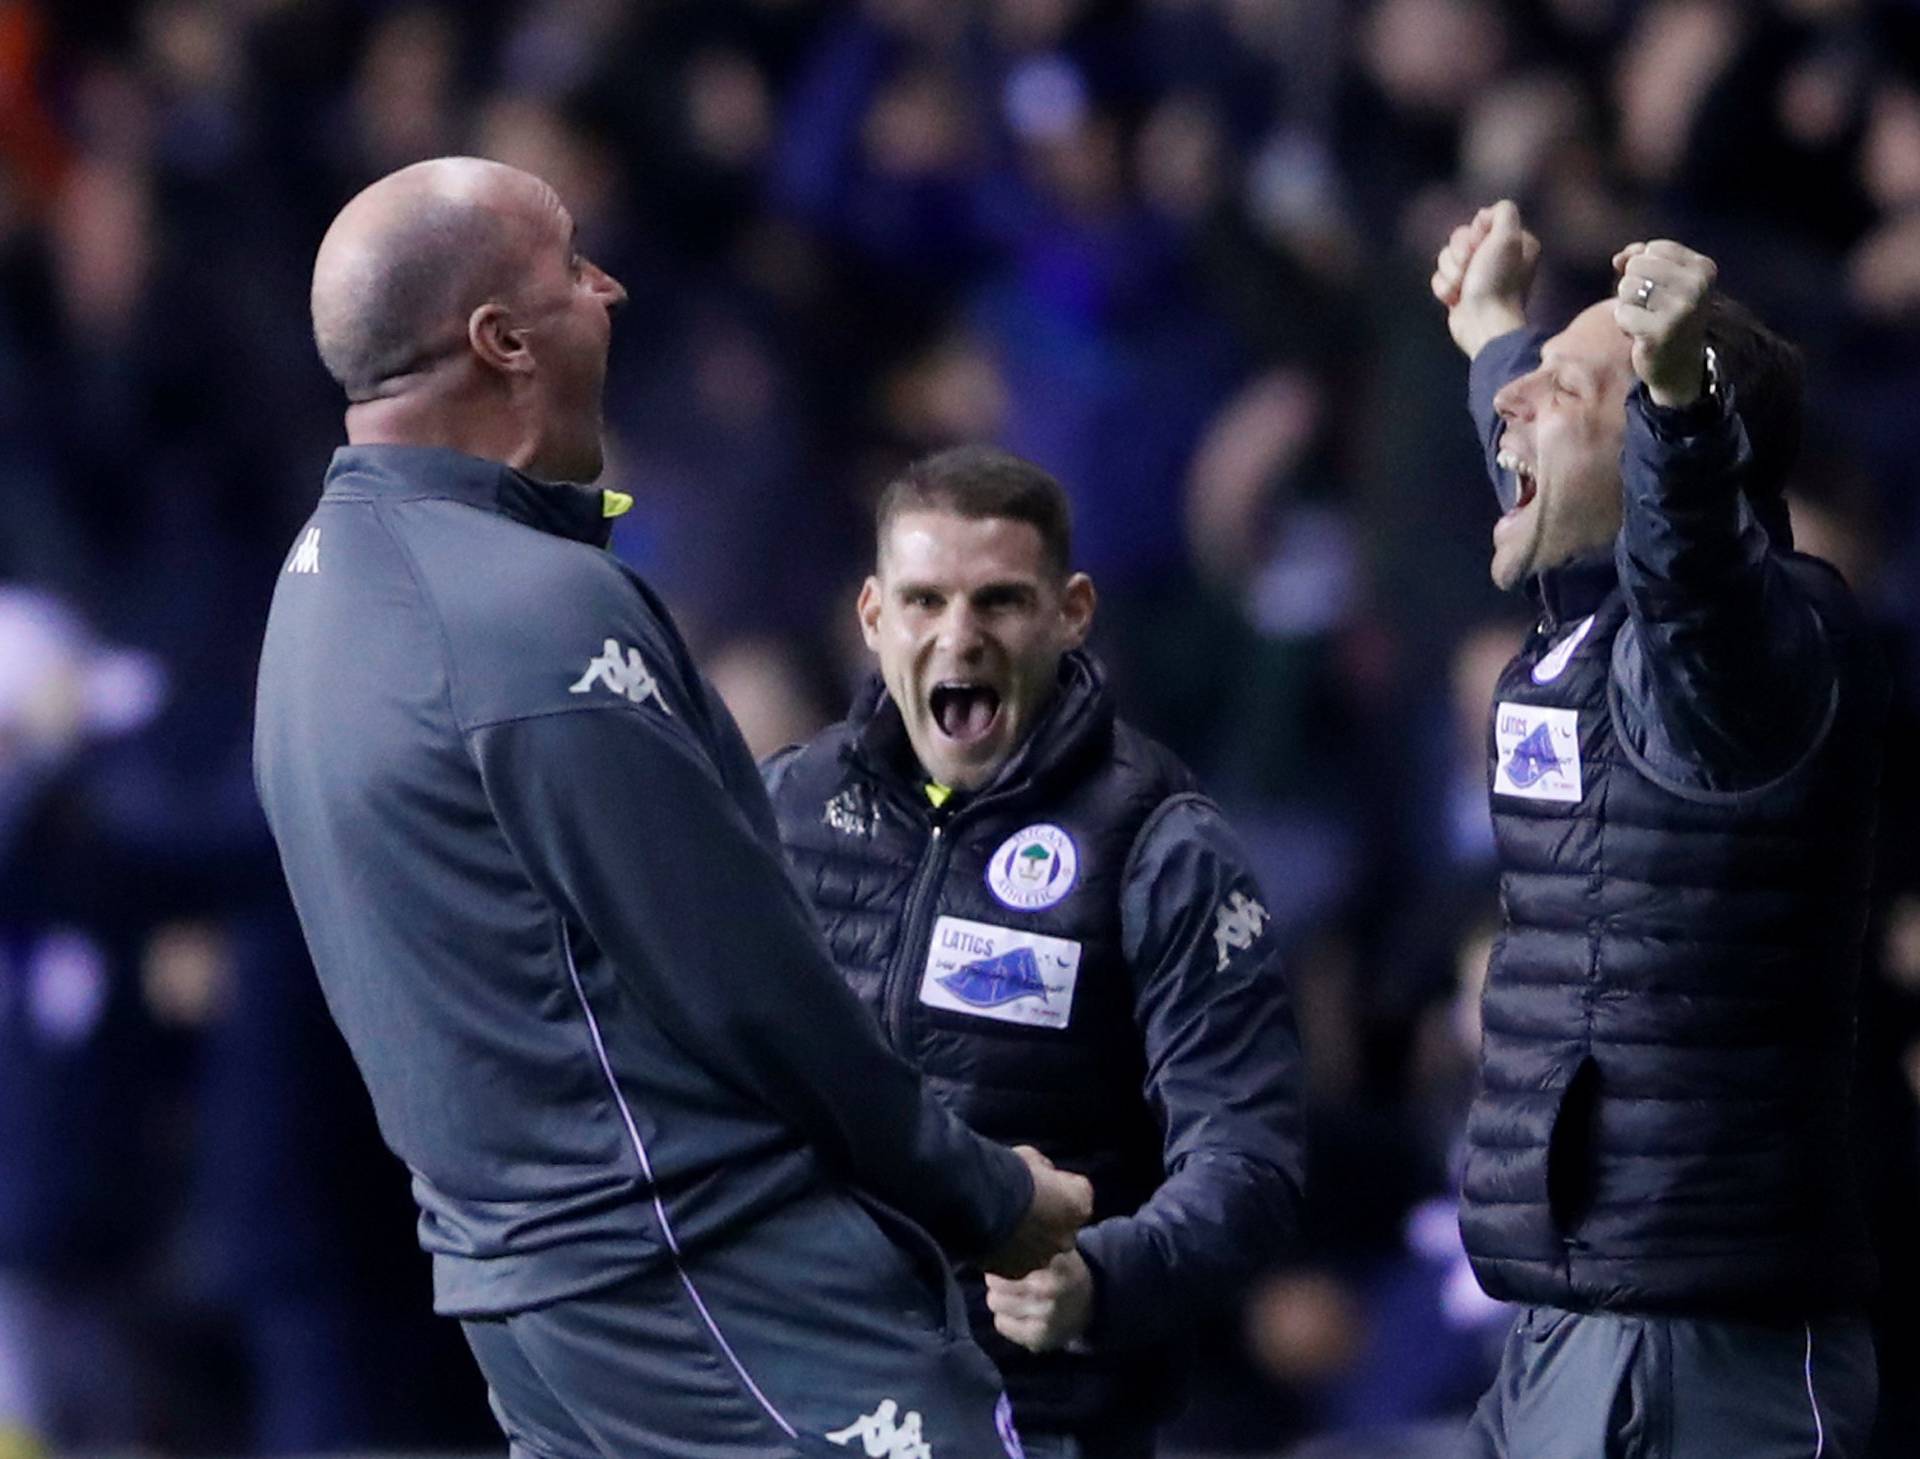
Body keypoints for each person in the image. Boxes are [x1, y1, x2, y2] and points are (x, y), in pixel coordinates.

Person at [253, 157, 1093, 1459]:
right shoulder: (531, 619)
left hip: (540, 1296)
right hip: (700, 1271)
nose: (610, 287)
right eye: (574, 267)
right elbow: (749, 985)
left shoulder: (317, 597)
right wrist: (986, 1193)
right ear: (502, 340)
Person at [1430, 200, 1886, 1456]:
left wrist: (1679, 404)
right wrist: (1491, 337)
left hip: (1711, 1350)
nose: (1516, 403)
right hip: (1560, 1322)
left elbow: (1691, 585)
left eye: (1560, 388)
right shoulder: (1585, 624)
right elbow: (1577, 494)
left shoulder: (1767, 650)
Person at [762, 446, 1306, 1458]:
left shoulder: (1161, 845)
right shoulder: (786, 808)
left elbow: (1249, 1165)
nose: (958, 639)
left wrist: (1099, 1279)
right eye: (925, 602)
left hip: (1036, 1415)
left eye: (1001, 602)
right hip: (793, 1396)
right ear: (873, 616)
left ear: (1073, 612)